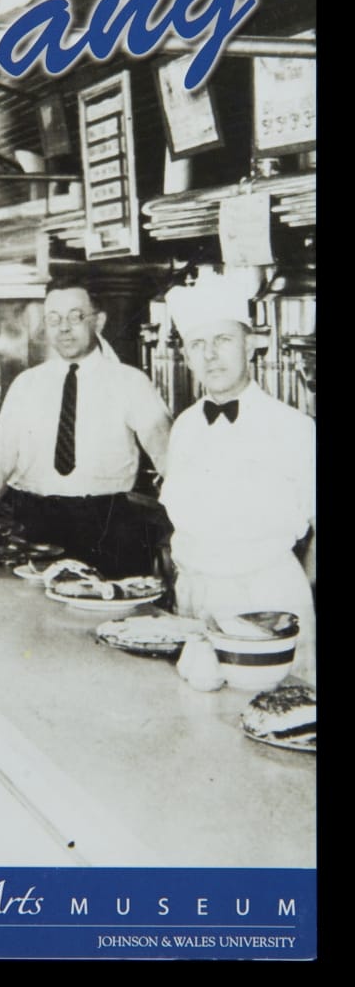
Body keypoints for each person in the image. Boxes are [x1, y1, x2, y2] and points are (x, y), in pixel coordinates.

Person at [159, 268, 316, 683]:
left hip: (267, 600)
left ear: (250, 345)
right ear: (187, 356)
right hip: (194, 597)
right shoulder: (184, 427)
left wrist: (294, 607)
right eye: (198, 345)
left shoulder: (295, 428)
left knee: (271, 707)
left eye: (223, 340)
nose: (210, 355)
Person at [0, 278, 172, 577]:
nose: (64, 328)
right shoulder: (27, 383)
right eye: (54, 319)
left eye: (75, 317)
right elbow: (1, 452)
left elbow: (168, 455)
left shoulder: (130, 382)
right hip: (33, 523)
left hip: (106, 527)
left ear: (98, 321)